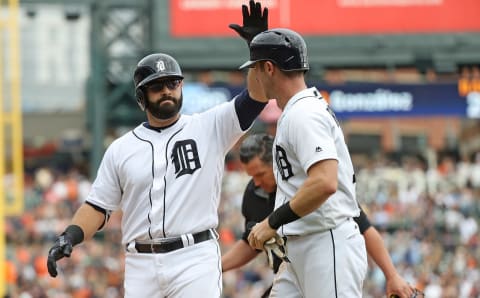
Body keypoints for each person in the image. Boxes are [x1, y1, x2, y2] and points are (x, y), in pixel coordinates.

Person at [45, 3, 270, 297]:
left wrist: (258, 50)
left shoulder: (210, 126)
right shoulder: (121, 149)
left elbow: (256, 97)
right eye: (157, 86)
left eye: (173, 83)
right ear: (141, 98)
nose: (166, 90)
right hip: (141, 264)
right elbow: (99, 207)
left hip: (194, 256)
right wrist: (69, 236)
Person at [241, 28, 367, 298]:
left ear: (269, 68)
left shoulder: (304, 114)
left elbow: (324, 182)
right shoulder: (298, 109)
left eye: (256, 69)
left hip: (326, 242)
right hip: (300, 247)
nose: (255, 77)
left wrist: (271, 222)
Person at [222, 133, 416, 298]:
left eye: (260, 174)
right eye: (251, 176)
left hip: (323, 269)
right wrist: (217, 267)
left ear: (276, 163)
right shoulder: (254, 193)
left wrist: (392, 275)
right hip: (290, 276)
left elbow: (365, 228)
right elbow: (250, 243)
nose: (255, 182)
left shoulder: (307, 187)